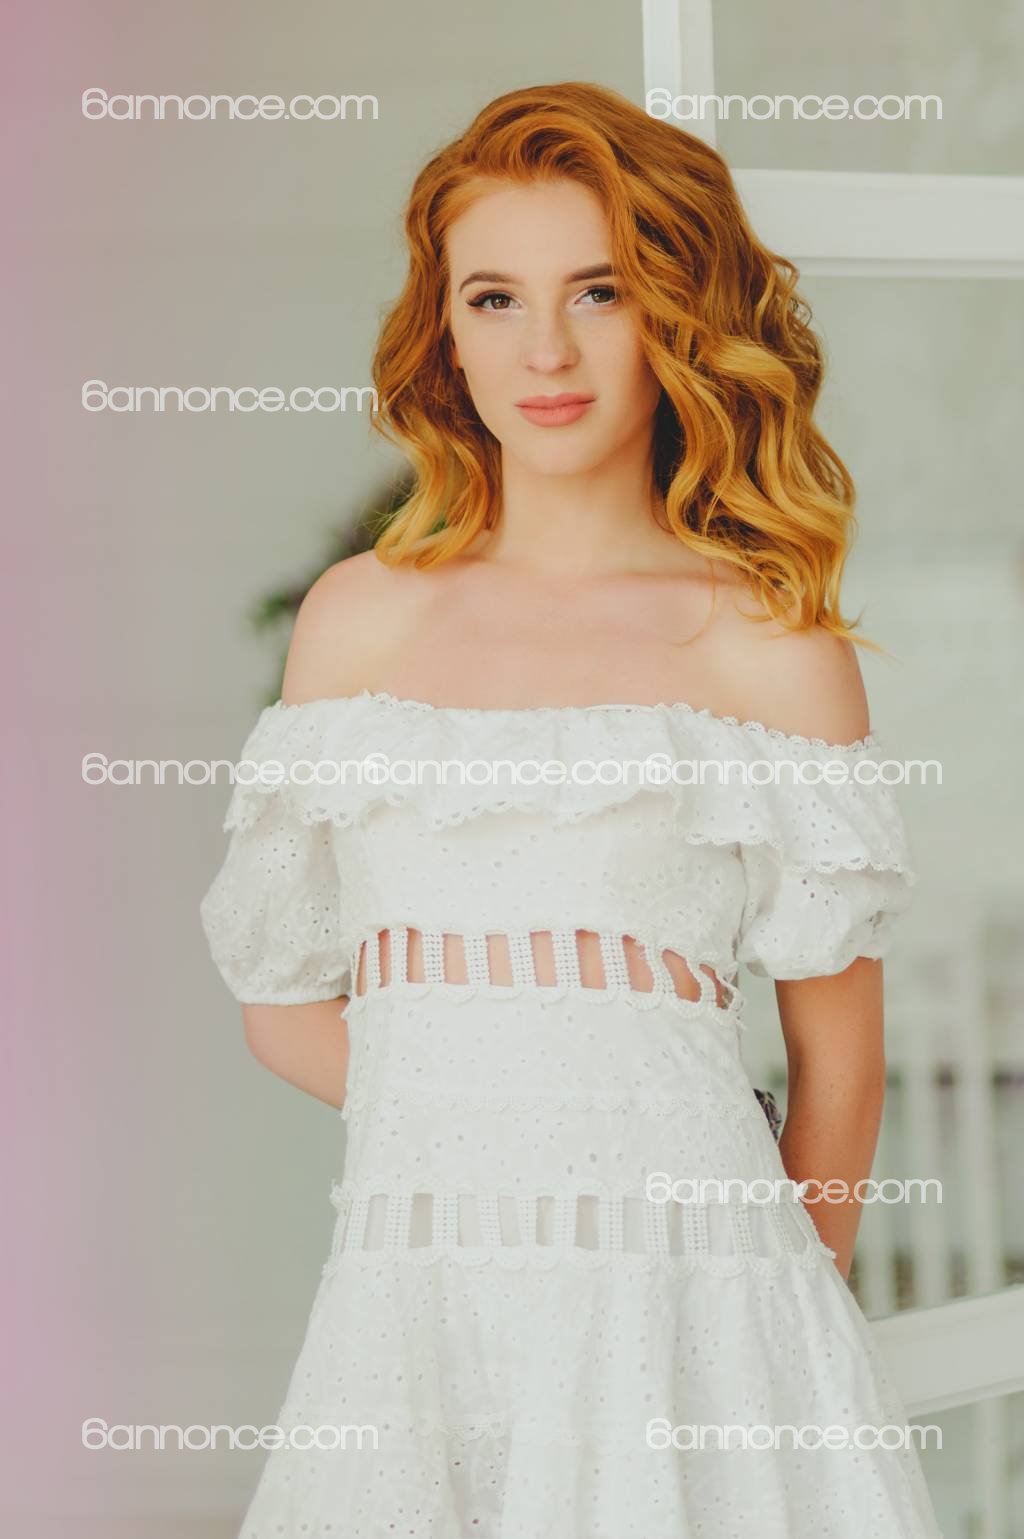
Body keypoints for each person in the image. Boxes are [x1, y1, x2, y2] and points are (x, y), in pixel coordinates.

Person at [200, 81, 944, 1538]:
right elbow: (280, 1009)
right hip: (417, 1316)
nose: (544, 350)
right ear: (445, 332)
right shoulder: (358, 621)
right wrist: (523, 1135)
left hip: (701, 1314)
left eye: (598, 292)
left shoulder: (771, 648)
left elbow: (839, 1067)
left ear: (677, 315)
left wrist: (774, 1349)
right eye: (495, 298)